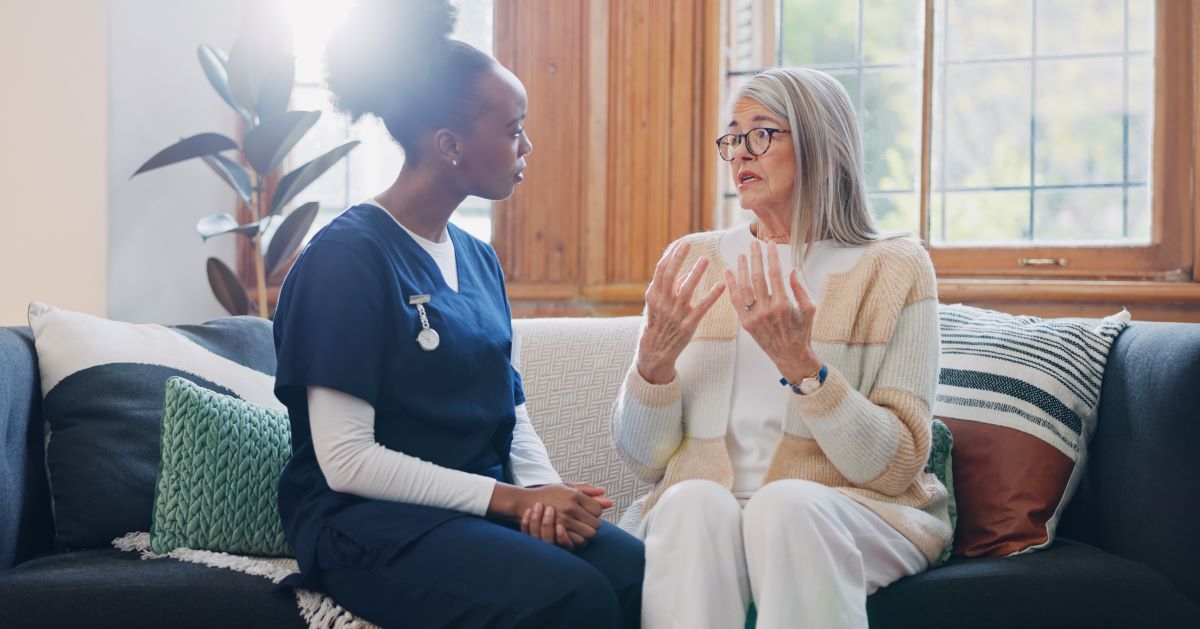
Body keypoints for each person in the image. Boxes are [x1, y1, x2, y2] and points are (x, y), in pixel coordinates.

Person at [271, 2, 643, 627]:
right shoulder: (345, 260)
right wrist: (510, 502)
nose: (528, 145)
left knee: (637, 574)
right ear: (448, 145)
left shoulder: (478, 259)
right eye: (512, 130)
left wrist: (547, 500)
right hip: (368, 524)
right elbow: (346, 460)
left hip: (480, 510)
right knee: (575, 598)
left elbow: (511, 412)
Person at [612, 67, 951, 629]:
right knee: (692, 501)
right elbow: (644, 460)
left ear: (821, 145)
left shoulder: (892, 266)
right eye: (733, 136)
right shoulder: (694, 259)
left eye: (762, 133)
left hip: (859, 510)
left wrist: (802, 365)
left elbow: (895, 468)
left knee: (785, 505)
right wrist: (652, 365)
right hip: (711, 511)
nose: (741, 152)